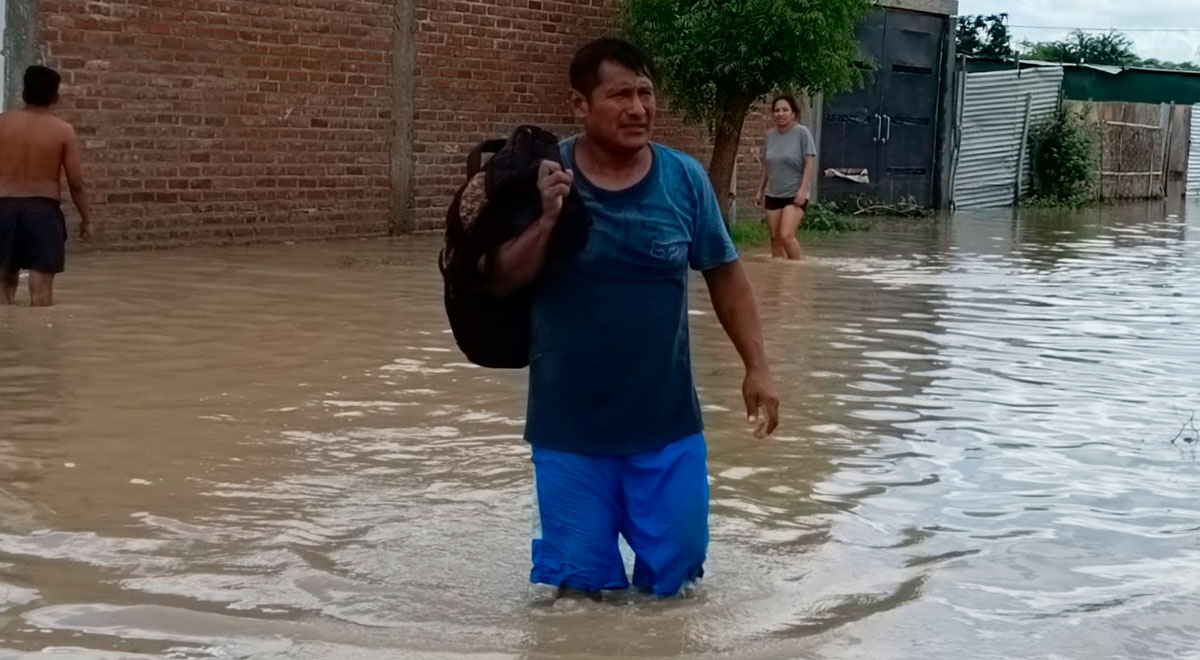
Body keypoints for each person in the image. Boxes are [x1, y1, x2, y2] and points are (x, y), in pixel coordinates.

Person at [489, 38, 780, 599]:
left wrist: (758, 367)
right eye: (619, 94)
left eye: (646, 93)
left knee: (676, 588)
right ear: (579, 104)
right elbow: (501, 277)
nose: (638, 108)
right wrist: (547, 219)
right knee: (577, 598)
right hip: (568, 431)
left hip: (665, 428)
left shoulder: (684, 180)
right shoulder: (544, 178)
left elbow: (725, 273)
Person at [0, 65, 93, 307]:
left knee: (2, 283)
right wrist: (87, 219)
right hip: (42, 212)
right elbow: (76, 182)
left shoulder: (2, 123)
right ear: (55, 96)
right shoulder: (63, 131)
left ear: (24, 92)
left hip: (2, 209)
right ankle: (41, 341)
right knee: (41, 290)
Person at [753, 95, 816, 261]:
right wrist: (759, 190)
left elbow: (809, 163)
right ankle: (779, 278)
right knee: (775, 239)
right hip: (773, 193)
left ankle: (797, 271)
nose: (780, 114)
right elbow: (767, 165)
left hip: (794, 193)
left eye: (785, 110)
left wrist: (803, 190)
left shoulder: (802, 133)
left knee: (786, 236)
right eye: (777, 110)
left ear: (793, 113)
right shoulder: (770, 136)